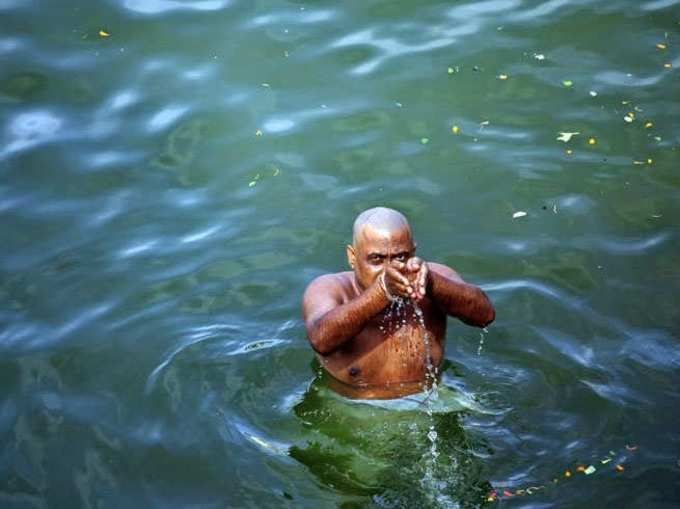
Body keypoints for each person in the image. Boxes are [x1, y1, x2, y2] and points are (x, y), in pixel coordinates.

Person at [301, 206, 495, 399]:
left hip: (432, 399)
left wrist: (432, 284)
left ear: (414, 251)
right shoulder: (330, 288)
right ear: (352, 257)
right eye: (376, 259)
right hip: (355, 408)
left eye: (400, 257)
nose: (391, 269)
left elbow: (485, 316)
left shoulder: (433, 277)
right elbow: (320, 339)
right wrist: (381, 292)